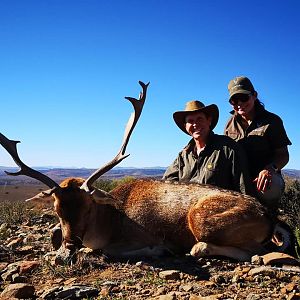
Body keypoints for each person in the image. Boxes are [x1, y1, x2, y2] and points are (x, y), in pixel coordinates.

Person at [224, 76, 292, 210]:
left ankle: (269, 218)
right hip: (239, 177)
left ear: (254, 96)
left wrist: (270, 169)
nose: (239, 103)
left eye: (244, 98)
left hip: (265, 177)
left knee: (269, 188)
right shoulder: (229, 125)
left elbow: (283, 155)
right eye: (234, 100)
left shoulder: (272, 121)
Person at [163, 100, 254, 195]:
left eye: (199, 119)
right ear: (185, 126)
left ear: (209, 121)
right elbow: (167, 183)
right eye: (190, 121)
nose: (195, 124)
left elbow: (244, 189)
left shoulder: (229, 149)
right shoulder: (183, 156)